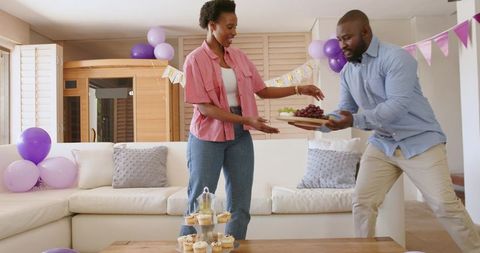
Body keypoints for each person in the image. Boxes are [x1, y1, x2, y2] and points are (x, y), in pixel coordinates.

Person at [293, 9, 480, 253]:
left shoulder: (396, 58)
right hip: (383, 143)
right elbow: (345, 110)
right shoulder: (348, 72)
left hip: (420, 141)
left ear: (366, 32)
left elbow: (397, 107)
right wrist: (318, 125)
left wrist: (353, 120)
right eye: (339, 40)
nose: (341, 45)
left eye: (347, 38)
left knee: (445, 206)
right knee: (362, 202)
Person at [179, 0, 324, 240]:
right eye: (229, 27)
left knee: (241, 205)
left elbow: (262, 90)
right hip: (206, 136)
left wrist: (300, 88)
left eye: (235, 26)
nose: (234, 32)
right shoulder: (194, 60)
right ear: (212, 25)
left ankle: (234, 247)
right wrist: (246, 118)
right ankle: (190, 246)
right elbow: (204, 107)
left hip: (240, 135)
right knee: (199, 202)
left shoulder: (239, 57)